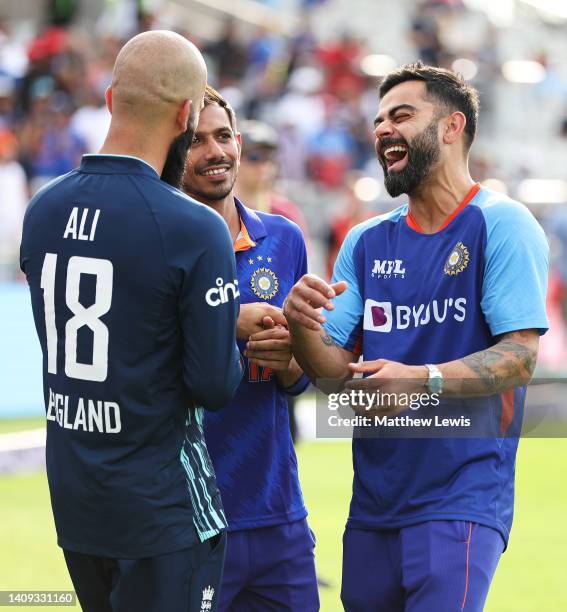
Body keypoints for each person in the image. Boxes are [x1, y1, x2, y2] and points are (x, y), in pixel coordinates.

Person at [284, 62, 549, 612]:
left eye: (401, 116)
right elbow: (332, 373)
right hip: (374, 501)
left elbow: (520, 357)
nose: (382, 129)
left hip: (462, 496)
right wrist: (301, 325)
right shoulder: (365, 240)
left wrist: (423, 380)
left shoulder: (501, 223)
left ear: (452, 127)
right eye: (377, 120)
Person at [20, 31, 242, 612]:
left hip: (76, 503)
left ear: (113, 98)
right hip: (161, 511)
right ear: (188, 114)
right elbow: (213, 384)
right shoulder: (194, 227)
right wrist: (232, 330)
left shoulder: (43, 209)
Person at [182, 85, 319, 611]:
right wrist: (226, 321)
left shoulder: (284, 238)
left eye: (223, 136)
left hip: (278, 515)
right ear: (175, 151)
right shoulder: (156, 245)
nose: (215, 151)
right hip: (193, 522)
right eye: (196, 141)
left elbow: (300, 376)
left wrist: (289, 363)